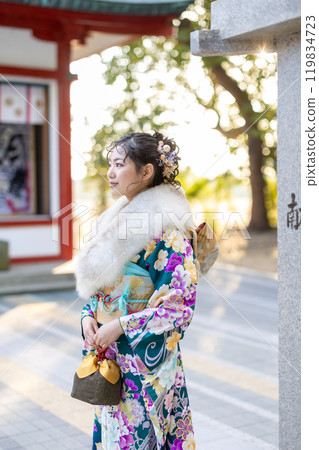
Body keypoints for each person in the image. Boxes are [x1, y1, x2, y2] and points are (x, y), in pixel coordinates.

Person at [75, 131, 200, 450]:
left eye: (120, 164)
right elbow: (101, 284)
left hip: (146, 363)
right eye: (110, 164)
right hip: (112, 352)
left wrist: (119, 325)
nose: (111, 172)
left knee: (143, 438)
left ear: (146, 172)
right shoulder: (112, 221)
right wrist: (90, 315)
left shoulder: (168, 229)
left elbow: (179, 309)